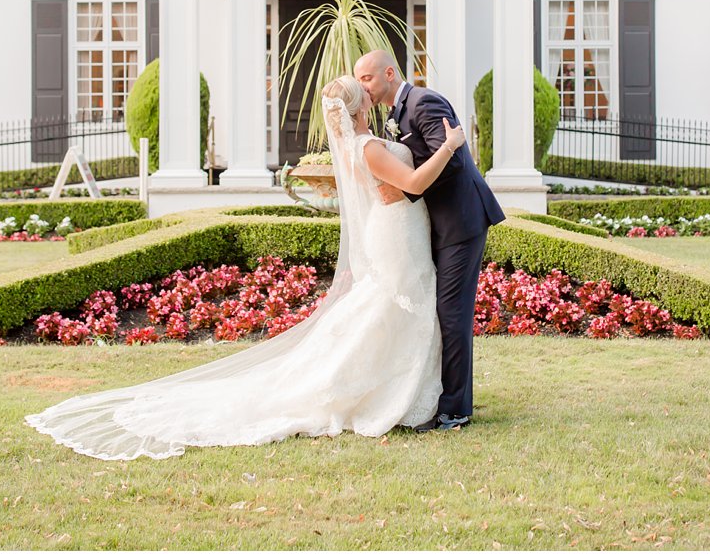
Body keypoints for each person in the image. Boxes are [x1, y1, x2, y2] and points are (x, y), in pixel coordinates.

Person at [24, 74, 465, 461]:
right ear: (359, 106)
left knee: (394, 305)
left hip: (396, 229)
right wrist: (449, 146)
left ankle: (397, 388)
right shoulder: (366, 146)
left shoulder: (358, 144)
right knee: (394, 304)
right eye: (363, 88)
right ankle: (371, 389)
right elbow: (410, 182)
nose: (371, 92)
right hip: (394, 232)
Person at [353, 49, 505, 433]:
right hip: (434, 226)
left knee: (452, 314)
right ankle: (444, 395)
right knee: (440, 312)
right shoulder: (391, 116)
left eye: (367, 78)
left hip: (461, 221)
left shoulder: (424, 101)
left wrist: (407, 190)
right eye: (359, 80)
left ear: (390, 73)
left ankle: (454, 411)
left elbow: (451, 160)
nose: (363, 86)